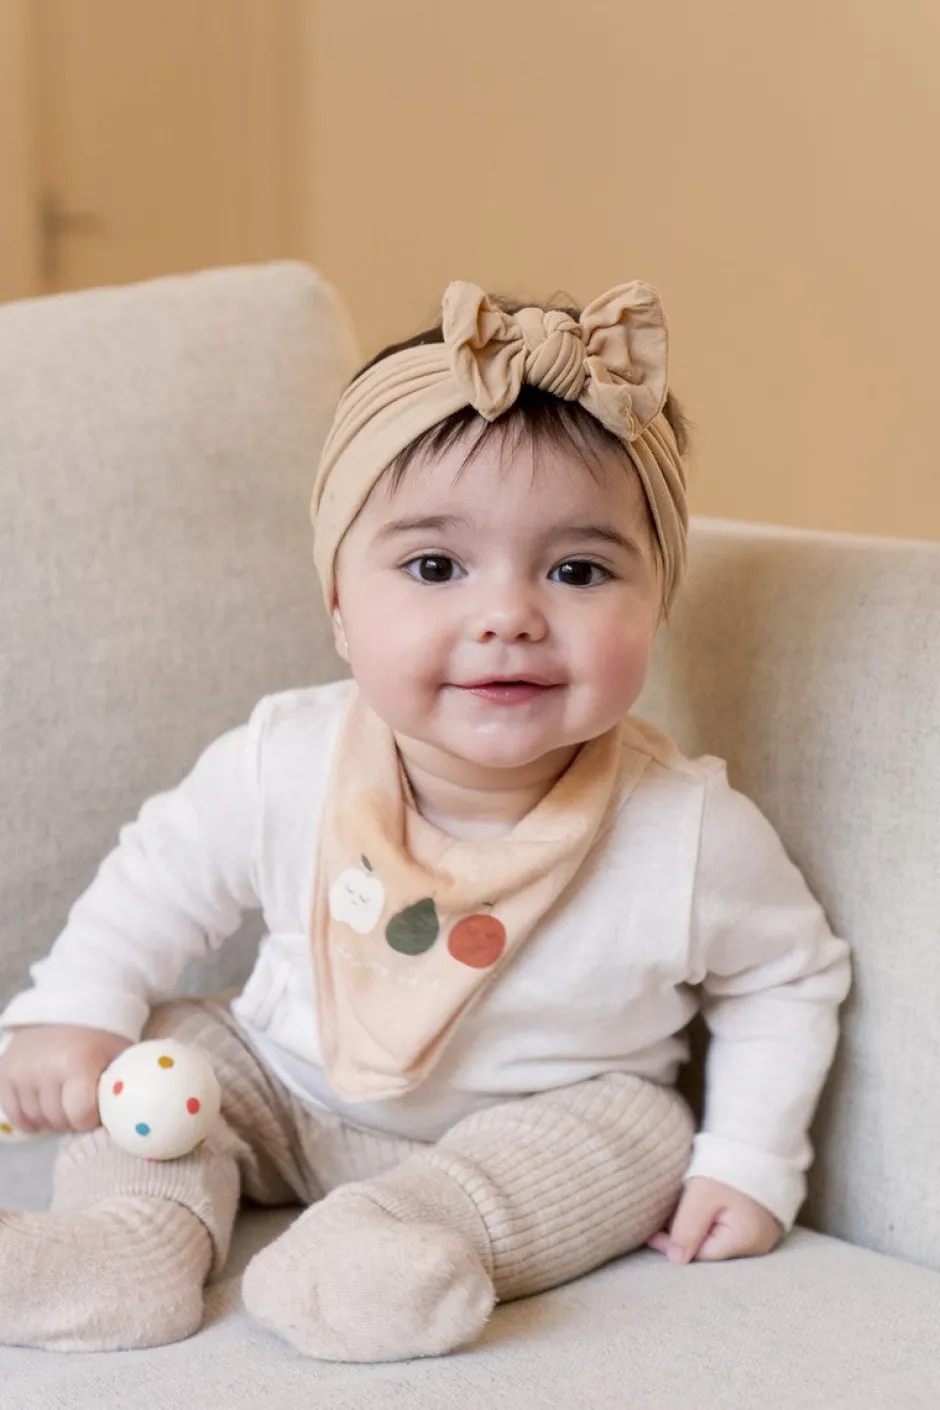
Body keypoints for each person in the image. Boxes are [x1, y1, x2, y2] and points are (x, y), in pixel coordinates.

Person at [0, 280, 851, 1361]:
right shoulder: (283, 758)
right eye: (435, 567)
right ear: (341, 609)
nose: (508, 615)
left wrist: (751, 1162)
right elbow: (153, 884)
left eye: (578, 570)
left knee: (642, 1132)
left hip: (526, 1129)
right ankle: (127, 1247)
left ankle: (386, 1251)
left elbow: (787, 976)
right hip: (284, 1084)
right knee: (170, 1050)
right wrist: (75, 1009)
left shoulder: (685, 831)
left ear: (656, 606)